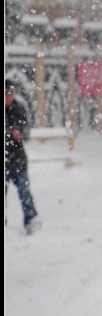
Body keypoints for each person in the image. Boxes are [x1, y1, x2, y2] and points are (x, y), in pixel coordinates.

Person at [5, 79, 40, 234]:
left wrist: (21, 134)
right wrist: (8, 133)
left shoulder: (19, 108)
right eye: (6, 94)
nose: (8, 97)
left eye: (10, 93)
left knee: (24, 193)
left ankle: (31, 220)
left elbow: (27, 131)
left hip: (18, 159)